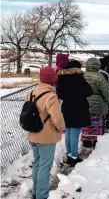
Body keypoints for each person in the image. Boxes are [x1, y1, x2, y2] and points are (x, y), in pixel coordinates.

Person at [27, 67, 65, 199]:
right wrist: (62, 128)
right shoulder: (50, 96)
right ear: (52, 79)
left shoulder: (32, 92)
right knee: (45, 166)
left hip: (33, 134)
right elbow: (57, 118)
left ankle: (35, 191)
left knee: (37, 163)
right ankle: (42, 195)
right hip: (46, 137)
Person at [57, 60, 93, 166]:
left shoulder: (62, 78)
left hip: (67, 107)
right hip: (78, 108)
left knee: (68, 132)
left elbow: (61, 94)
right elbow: (89, 91)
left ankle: (69, 154)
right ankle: (74, 156)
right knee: (75, 134)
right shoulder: (78, 78)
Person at [82, 58, 109, 148]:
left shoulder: (82, 75)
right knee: (96, 121)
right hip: (97, 103)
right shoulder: (100, 76)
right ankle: (95, 140)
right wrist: (107, 100)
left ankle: (86, 139)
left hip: (84, 102)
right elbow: (105, 91)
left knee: (85, 121)